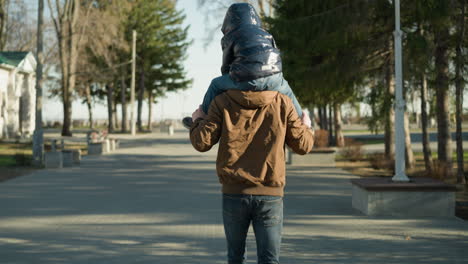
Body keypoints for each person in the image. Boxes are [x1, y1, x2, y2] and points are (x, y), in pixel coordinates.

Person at [183, 3, 304, 129]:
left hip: (247, 77)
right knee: (288, 92)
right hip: (273, 76)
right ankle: (302, 120)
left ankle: (201, 117)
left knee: (215, 84)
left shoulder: (231, 36)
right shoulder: (266, 33)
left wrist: (228, 83)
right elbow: (275, 53)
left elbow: (226, 64)